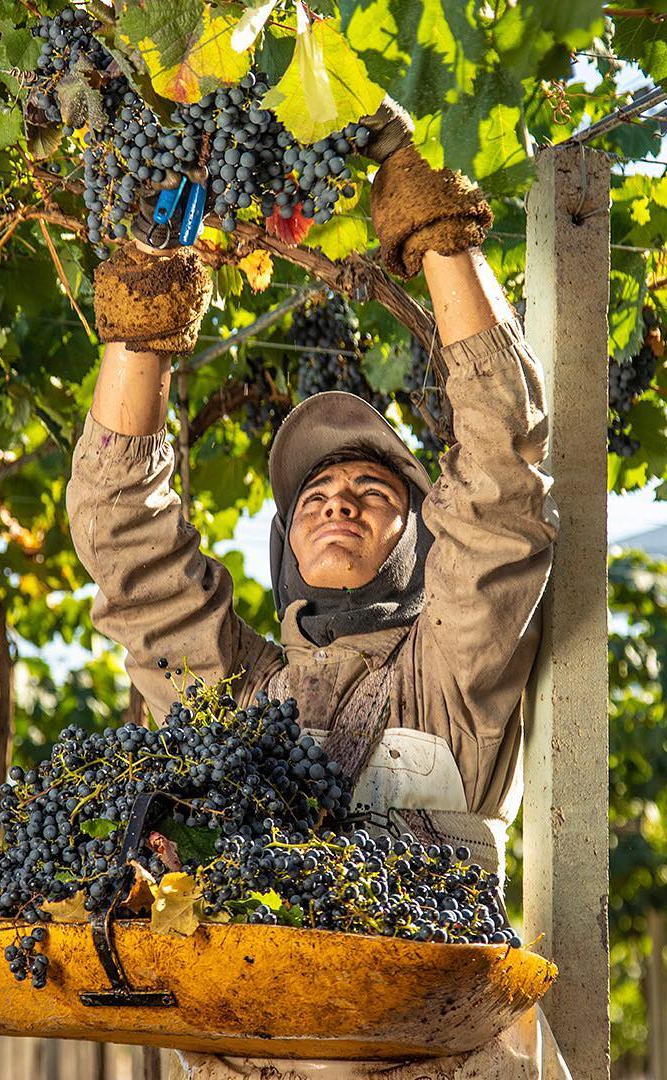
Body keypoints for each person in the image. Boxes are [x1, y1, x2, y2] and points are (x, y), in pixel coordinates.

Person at [65, 102, 571, 1080]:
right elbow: (124, 535)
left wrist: (435, 228)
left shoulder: (451, 668)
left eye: (372, 492)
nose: (339, 503)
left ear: (417, 537)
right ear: (283, 539)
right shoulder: (233, 696)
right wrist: (145, 317)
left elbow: (503, 474)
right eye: (316, 495)